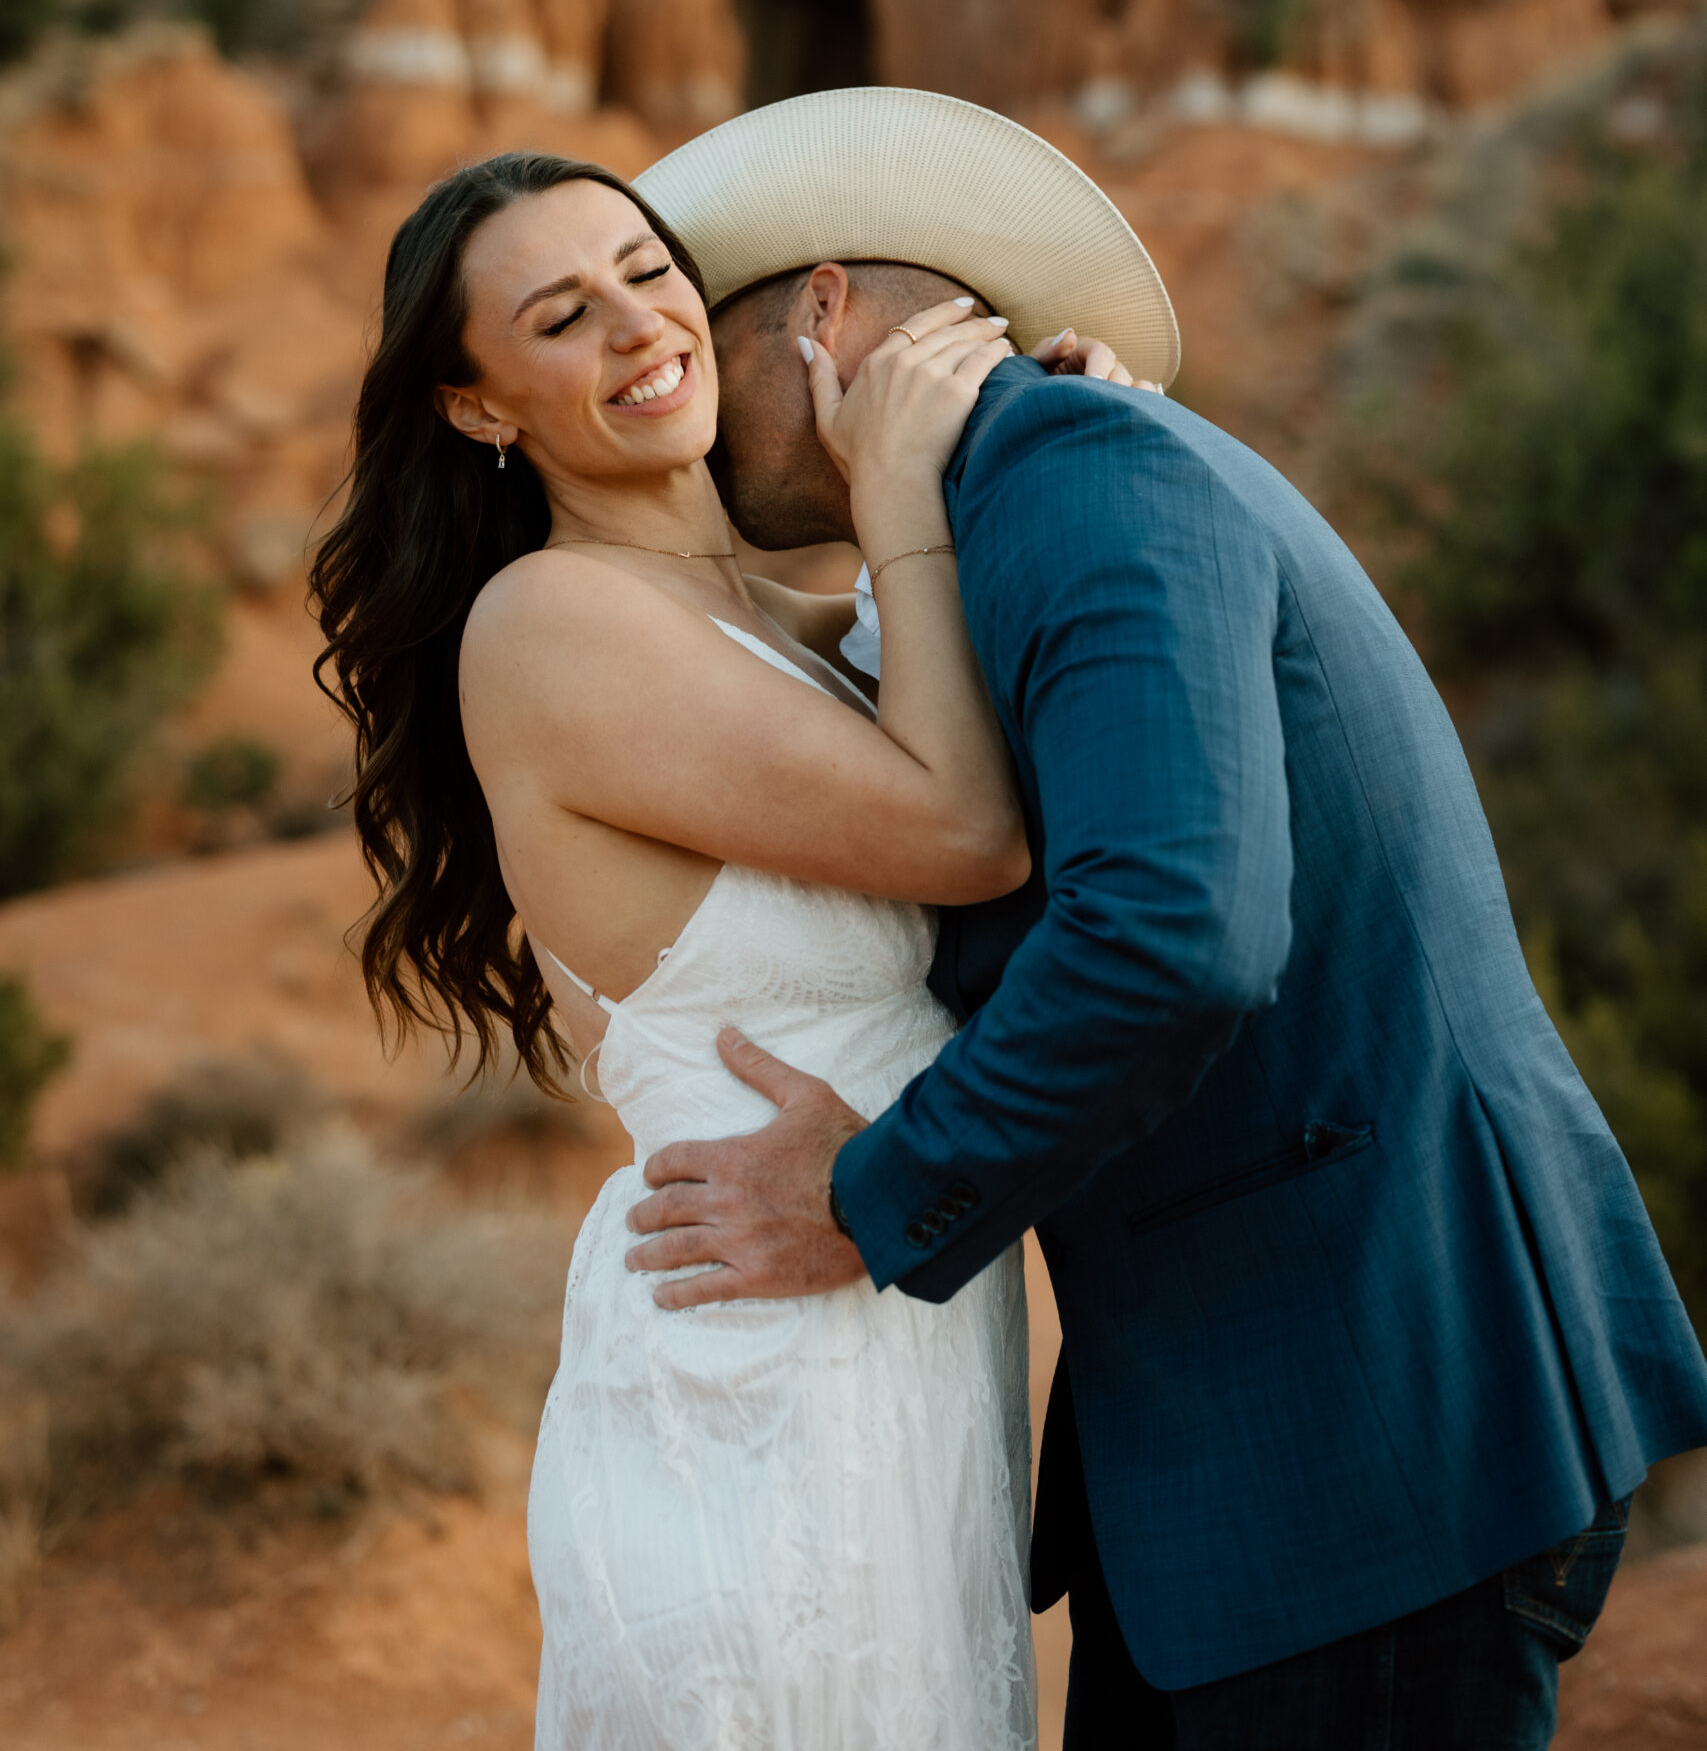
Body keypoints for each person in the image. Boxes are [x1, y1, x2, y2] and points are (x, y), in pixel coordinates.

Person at [623, 85, 1707, 1751]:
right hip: (1249, 1444)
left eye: (709, 345)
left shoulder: (1080, 477)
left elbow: (1173, 931)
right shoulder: (1007, 510)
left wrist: (869, 1195)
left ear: (824, 309)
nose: (686, 415)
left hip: (1371, 1419)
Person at [311, 147, 1132, 1751]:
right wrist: (899, 495)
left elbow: (967, 674)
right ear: (481, 408)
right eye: (561, 316)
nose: (638, 327)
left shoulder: (775, 621)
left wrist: (1044, 440)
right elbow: (971, 833)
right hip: (753, 1370)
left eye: (644, 267)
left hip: (888, 1345)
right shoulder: (551, 626)